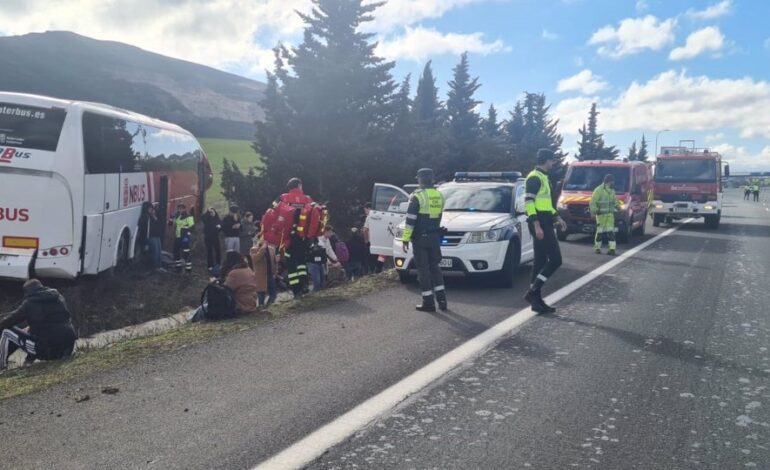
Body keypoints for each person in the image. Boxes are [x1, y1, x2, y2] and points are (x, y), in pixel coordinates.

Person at [523, 149, 567, 314]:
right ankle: (533, 291)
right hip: (539, 223)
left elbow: (547, 205)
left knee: (540, 261)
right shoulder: (534, 177)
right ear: (547, 160)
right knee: (556, 259)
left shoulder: (543, 178)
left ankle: (536, 301)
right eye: (552, 160)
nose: (553, 163)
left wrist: (558, 218)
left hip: (546, 221)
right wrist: (536, 225)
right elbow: (528, 202)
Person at [0, 279, 77, 370]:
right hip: (67, 349)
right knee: (31, 329)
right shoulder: (58, 297)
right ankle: (28, 362)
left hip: (48, 352)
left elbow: (10, 320)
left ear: (27, 292)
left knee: (6, 332)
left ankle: (1, 366)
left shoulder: (29, 303)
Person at [402, 168, 447, 312]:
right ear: (432, 179)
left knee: (423, 270)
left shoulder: (417, 196)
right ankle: (442, 300)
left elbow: (410, 221)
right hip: (434, 237)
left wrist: (405, 238)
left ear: (420, 180)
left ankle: (428, 302)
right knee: (435, 268)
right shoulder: (439, 195)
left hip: (420, 238)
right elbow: (438, 217)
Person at [275, 178, 314, 298]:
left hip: (287, 237)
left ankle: (296, 290)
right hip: (302, 237)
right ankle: (305, 285)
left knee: (291, 263)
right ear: (299, 185)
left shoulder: (282, 198)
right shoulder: (307, 199)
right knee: (302, 262)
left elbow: (273, 212)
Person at [590, 174, 622, 256]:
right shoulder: (598, 190)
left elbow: (614, 201)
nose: (613, 183)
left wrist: (619, 208)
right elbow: (593, 202)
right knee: (599, 232)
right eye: (612, 181)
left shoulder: (612, 191)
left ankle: (612, 249)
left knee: (611, 232)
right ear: (609, 181)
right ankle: (597, 248)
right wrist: (593, 212)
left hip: (610, 215)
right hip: (601, 215)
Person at [251, 238, 278, 306]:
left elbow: (274, 262)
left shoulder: (271, 249)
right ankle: (261, 306)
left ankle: (269, 306)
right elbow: (255, 259)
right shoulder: (254, 249)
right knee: (261, 294)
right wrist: (262, 249)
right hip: (261, 276)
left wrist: (275, 272)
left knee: (273, 294)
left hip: (270, 274)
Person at [171, 203, 195, 273]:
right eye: (179, 208)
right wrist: (171, 218)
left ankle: (188, 269)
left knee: (186, 253)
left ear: (184, 209)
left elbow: (192, 227)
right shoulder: (177, 216)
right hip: (177, 236)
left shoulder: (188, 216)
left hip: (184, 237)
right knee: (176, 251)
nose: (180, 209)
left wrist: (187, 236)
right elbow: (172, 223)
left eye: (181, 208)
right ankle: (178, 267)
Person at [201, 207, 222, 273]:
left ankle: (218, 264)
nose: (212, 213)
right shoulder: (207, 219)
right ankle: (210, 266)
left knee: (217, 251)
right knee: (209, 251)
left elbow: (221, 225)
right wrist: (207, 212)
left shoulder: (217, 219)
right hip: (208, 237)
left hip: (215, 237)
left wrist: (219, 227)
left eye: (213, 212)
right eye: (210, 212)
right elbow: (202, 218)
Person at [148, 202, 165, 271]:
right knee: (155, 251)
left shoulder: (156, 217)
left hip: (157, 236)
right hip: (152, 236)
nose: (153, 211)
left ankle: (159, 266)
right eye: (151, 209)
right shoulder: (148, 218)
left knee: (159, 251)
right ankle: (156, 267)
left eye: (153, 209)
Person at [136, 201, 152, 266]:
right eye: (150, 209)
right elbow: (147, 229)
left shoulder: (142, 216)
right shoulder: (147, 217)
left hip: (141, 238)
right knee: (143, 253)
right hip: (145, 238)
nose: (151, 210)